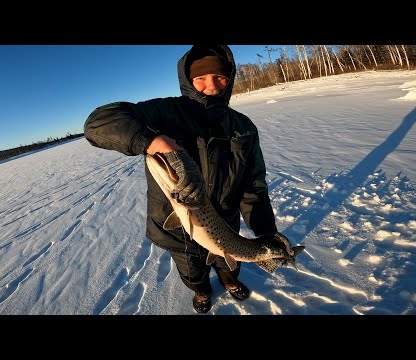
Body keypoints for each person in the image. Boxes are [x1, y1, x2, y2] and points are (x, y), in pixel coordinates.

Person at [84, 45, 289, 313]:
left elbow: (254, 188)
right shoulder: (165, 112)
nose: (210, 85)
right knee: (192, 272)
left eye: (219, 77)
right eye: (200, 78)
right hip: (176, 229)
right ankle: (202, 293)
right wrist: (157, 142)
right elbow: (98, 123)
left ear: (230, 79)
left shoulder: (243, 126)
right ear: (188, 81)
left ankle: (230, 283)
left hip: (225, 223)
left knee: (230, 263)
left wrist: (266, 232)